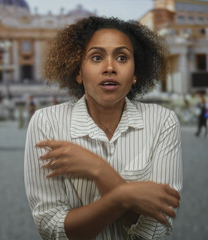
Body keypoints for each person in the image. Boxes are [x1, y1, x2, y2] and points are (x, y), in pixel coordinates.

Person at [24, 17, 182, 240]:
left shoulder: (163, 121)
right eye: (97, 57)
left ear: (136, 73)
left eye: (122, 57)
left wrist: (99, 170)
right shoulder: (45, 121)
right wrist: (125, 196)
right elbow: (51, 229)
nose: (109, 68)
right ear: (78, 72)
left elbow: (156, 232)